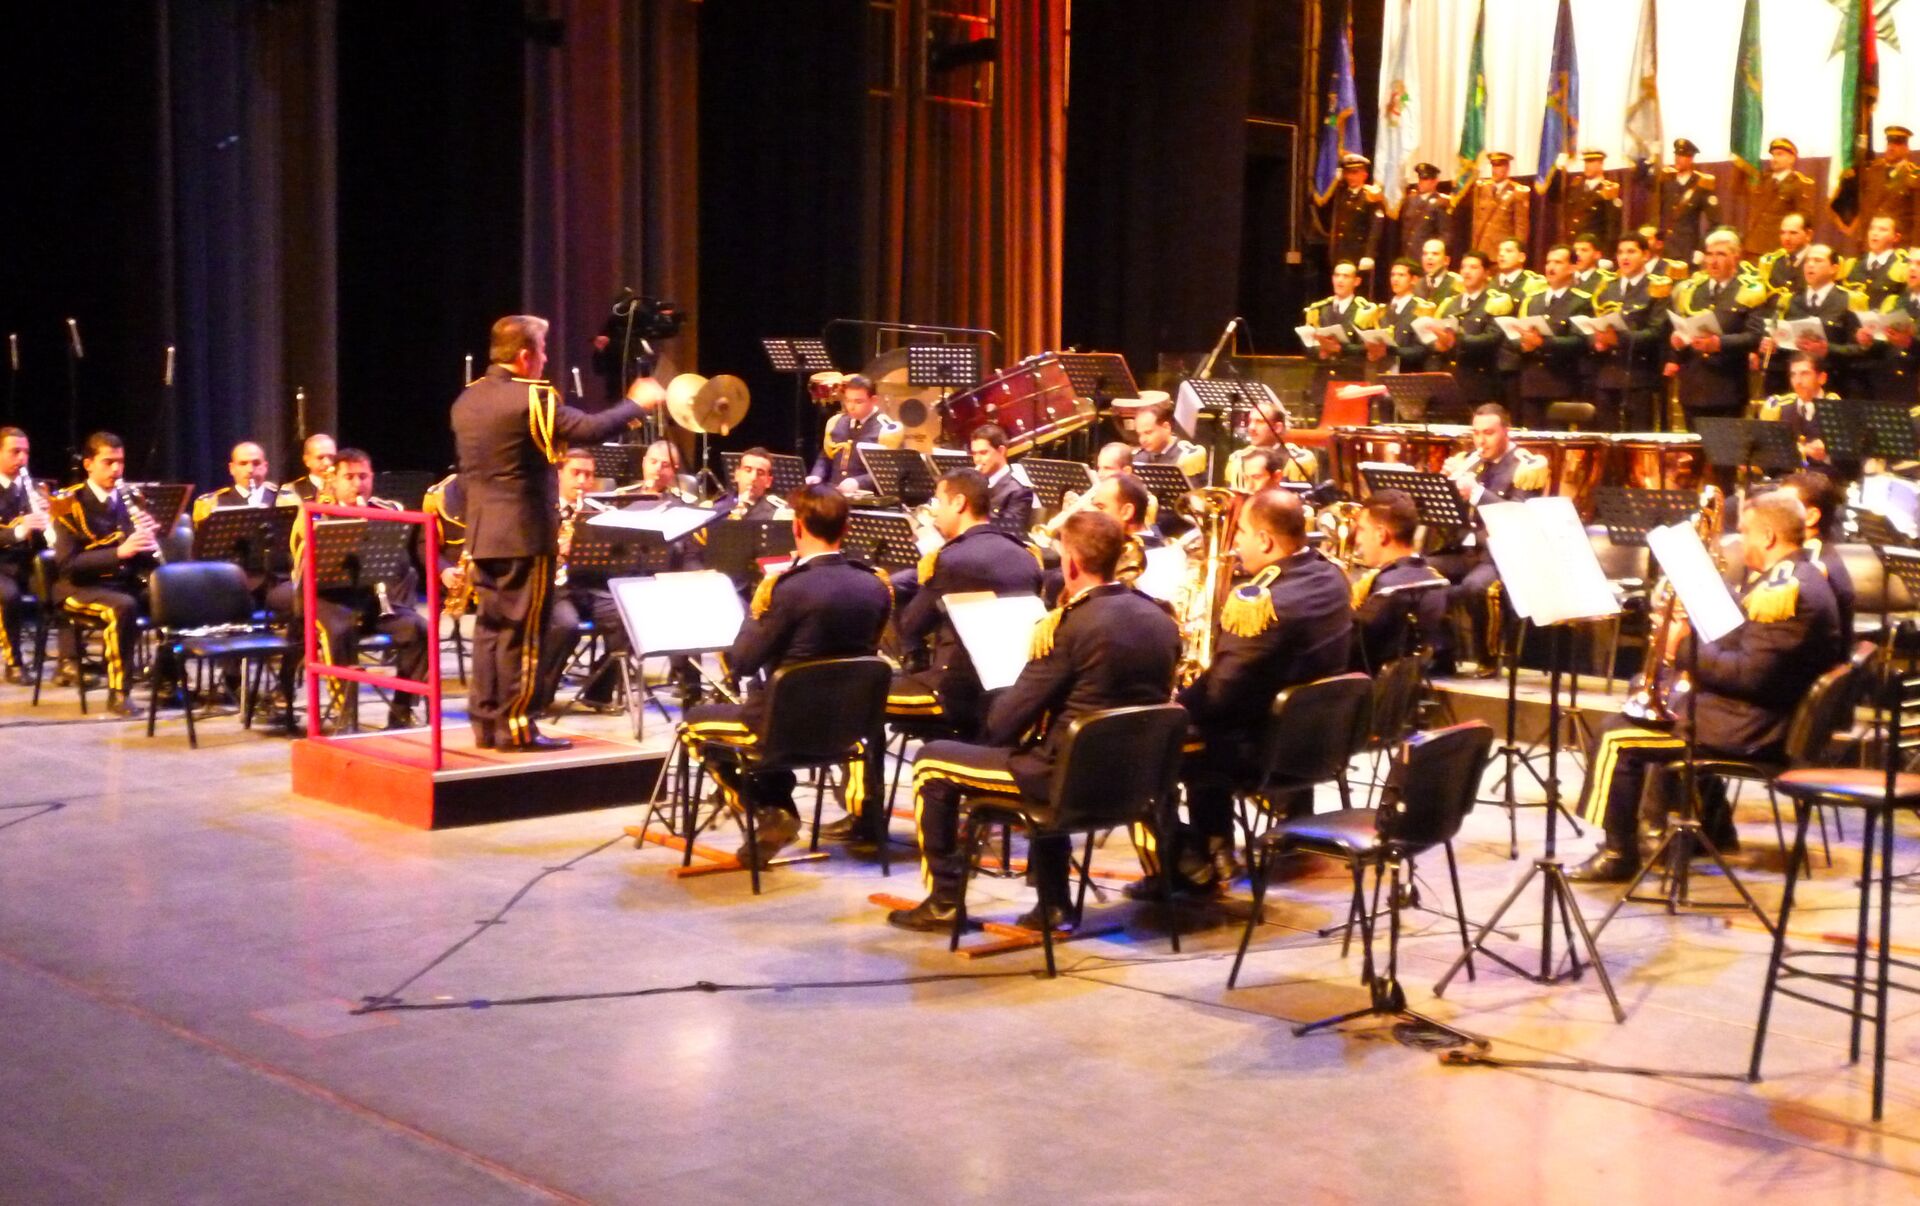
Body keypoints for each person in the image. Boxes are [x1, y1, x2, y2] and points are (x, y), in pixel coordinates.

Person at [887, 510, 1180, 933]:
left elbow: (1003, 724)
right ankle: (1052, 904)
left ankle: (945, 901)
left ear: (1071, 564)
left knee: (932, 762)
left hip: (1067, 781)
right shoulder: (1159, 617)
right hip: (1136, 779)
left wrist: (997, 697)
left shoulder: (1068, 626)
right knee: (1047, 744)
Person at [1570, 492, 1841, 882]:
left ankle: (1617, 853)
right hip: (1759, 714)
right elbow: (1751, 649)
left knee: (1616, 736)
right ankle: (1710, 827)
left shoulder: (1787, 591)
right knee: (1647, 694)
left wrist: (1681, 647)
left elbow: (1749, 675)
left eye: (1745, 533)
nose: (1741, 542)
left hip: (1753, 729)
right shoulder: (1794, 576)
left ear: (1768, 536)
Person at [450, 314, 653, 752]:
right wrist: (635, 405)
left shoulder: (468, 397)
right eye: (542, 351)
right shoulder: (533, 397)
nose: (544, 359)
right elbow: (588, 430)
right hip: (524, 535)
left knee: (490, 630)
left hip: (482, 533)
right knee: (523, 634)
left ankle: (487, 721)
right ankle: (516, 726)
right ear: (525, 355)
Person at [1144, 490, 1351, 896]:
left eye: (1240, 532)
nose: (1235, 541)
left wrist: (1172, 706)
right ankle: (1216, 846)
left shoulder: (1260, 601)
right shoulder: (1330, 576)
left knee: (1153, 746)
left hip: (1264, 750)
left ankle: (1187, 863)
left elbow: (1220, 695)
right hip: (1323, 740)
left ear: (1265, 540)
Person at [682, 485, 892, 868]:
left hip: (782, 728)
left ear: (797, 527)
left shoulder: (786, 588)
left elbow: (743, 662)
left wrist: (759, 606)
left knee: (693, 726)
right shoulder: (876, 584)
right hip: (849, 728)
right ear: (846, 528)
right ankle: (778, 800)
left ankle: (771, 808)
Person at [884, 468, 1044, 741]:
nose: (936, 512)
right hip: (1014, 690)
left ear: (959, 503)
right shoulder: (1026, 555)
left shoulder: (951, 559)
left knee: (866, 690)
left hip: (959, 691)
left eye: (940, 502)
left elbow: (912, 626)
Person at [286, 449, 432, 731]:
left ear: (372, 478)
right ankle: (346, 715)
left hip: (370, 598)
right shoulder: (315, 513)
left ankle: (401, 710)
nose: (357, 484)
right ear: (334, 480)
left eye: (363, 477)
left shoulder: (386, 511)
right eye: (349, 477)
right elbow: (301, 562)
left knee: (418, 629)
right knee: (340, 632)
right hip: (326, 599)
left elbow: (399, 563)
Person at [1431, 405, 1548, 673]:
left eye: (1489, 433)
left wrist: (1475, 492)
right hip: (1464, 550)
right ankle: (1441, 653)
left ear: (1506, 431)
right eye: (1476, 433)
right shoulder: (1469, 461)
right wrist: (1445, 487)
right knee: (1418, 572)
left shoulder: (1527, 466)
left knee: (1476, 587)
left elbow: (1517, 517)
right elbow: (1450, 518)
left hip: (1501, 556)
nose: (1480, 441)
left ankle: (1489, 657)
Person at [49, 432, 157, 715]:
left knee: (170, 596)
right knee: (123, 607)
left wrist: (149, 542)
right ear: (88, 464)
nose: (116, 469)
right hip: (77, 588)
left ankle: (168, 680)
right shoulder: (67, 503)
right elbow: (67, 565)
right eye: (108, 462)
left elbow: (140, 556)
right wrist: (119, 552)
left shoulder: (132, 498)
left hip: (122, 583)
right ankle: (119, 693)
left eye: (120, 462)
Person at [536, 447, 626, 712]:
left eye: (588, 475)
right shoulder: (542, 509)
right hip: (554, 588)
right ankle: (540, 697)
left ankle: (598, 692)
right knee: (567, 625)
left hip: (589, 587)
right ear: (559, 474)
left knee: (629, 620)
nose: (583, 481)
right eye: (576, 473)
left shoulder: (598, 513)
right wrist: (555, 547)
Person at [1664, 228, 1770, 422]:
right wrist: (1677, 343)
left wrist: (1718, 344)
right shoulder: (1692, 289)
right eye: (1709, 254)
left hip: (1727, 387)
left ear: (1736, 257)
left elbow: (1754, 336)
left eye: (1721, 254)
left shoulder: (1748, 290)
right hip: (1693, 385)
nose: (1713, 261)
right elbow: (1680, 326)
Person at [1349, 489, 1450, 673]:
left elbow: (1353, 650)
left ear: (1381, 534)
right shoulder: (1434, 578)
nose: (1358, 539)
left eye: (1362, 530)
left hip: (1370, 684)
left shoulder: (1384, 590)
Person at [1755, 243, 1871, 398]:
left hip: (1835, 383)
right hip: (1794, 385)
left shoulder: (1850, 300)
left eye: (1818, 260)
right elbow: (1775, 337)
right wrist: (1771, 346)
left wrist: (1828, 349)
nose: (1810, 265)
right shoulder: (1789, 300)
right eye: (1808, 260)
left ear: (1834, 268)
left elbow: (1862, 349)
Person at [1588, 232, 1672, 431]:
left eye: (1631, 252)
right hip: (1606, 374)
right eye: (1620, 252)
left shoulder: (1657, 286)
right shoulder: (1606, 287)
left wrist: (1619, 339)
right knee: (1606, 437)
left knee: (1638, 437)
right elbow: (1592, 323)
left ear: (1645, 255)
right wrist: (1596, 342)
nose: (1624, 257)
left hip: (1640, 375)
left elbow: (1657, 332)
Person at [1511, 244, 1595, 429]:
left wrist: (1543, 342)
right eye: (1548, 262)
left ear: (1572, 267)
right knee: (1531, 438)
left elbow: (1580, 342)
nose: (1551, 267)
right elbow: (1516, 336)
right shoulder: (1532, 300)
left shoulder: (1581, 301)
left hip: (1560, 382)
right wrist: (1523, 345)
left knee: (1557, 437)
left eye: (1558, 262)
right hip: (1531, 382)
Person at [1430, 250, 1515, 405]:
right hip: (1448, 381)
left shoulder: (1496, 301)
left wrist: (1457, 340)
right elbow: (1434, 336)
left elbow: (1493, 338)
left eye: (1473, 267)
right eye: (1463, 267)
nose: (1466, 272)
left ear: (1486, 273)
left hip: (1480, 383)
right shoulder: (1450, 303)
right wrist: (1436, 345)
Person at [0, 427, 51, 682]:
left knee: (62, 587)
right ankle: (14, 662)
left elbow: (45, 538)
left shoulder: (34, 489)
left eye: (26, 452)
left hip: (27, 563)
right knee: (8, 596)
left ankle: (67, 660)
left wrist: (50, 519)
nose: (22, 458)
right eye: (15, 451)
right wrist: (21, 530)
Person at [1782, 470, 1856, 641]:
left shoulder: (1813, 566)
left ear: (1811, 517)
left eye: (1783, 507)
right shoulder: (1804, 556)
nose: (1772, 512)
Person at [810, 374, 903, 496]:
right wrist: (816, 475)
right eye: (848, 400)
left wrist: (858, 482)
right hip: (834, 496)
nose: (851, 407)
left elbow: (892, 470)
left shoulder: (887, 429)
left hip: (867, 497)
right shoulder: (836, 422)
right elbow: (826, 456)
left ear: (874, 400)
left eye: (858, 402)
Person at [1758, 354, 1842, 471]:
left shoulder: (1835, 408)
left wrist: (1827, 453)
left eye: (1805, 374)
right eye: (1793, 375)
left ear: (1822, 378)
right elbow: (1766, 452)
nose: (1797, 381)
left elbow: (1850, 462)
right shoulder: (1780, 407)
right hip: (1786, 478)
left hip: (1825, 477)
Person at [1302, 260, 1376, 386]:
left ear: (1357, 281)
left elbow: (1369, 347)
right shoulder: (1319, 309)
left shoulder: (1365, 310)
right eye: (1337, 275)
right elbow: (1307, 345)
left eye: (1346, 276)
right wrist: (1321, 352)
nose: (1340, 280)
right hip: (1322, 381)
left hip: (1350, 379)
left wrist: (1340, 349)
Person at [1845, 125, 1917, 252]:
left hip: (1900, 247)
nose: (1891, 148)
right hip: (1869, 245)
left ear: (1907, 149)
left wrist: (1916, 247)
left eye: (1897, 144)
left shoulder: (1915, 176)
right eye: (1889, 143)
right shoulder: (1871, 171)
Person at [1650, 137, 1718, 268]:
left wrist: (1701, 248)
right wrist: (1659, 238)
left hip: (1688, 249)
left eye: (1682, 156)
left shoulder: (1701, 184)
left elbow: (1715, 222)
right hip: (1667, 248)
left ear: (1691, 158)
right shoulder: (1667, 181)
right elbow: (1662, 214)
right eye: (1676, 155)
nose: (1677, 159)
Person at [1364, 257, 1436, 377]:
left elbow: (1423, 350)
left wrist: (1390, 351)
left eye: (1401, 275)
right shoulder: (1381, 310)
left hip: (1408, 375)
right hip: (1381, 374)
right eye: (1393, 275)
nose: (1395, 279)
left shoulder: (1421, 309)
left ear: (1414, 279)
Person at [1745, 138, 1815, 261]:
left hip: (1779, 247)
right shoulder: (1762, 180)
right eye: (1773, 155)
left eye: (1780, 154)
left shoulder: (1799, 184)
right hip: (1754, 246)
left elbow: (1804, 218)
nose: (1774, 159)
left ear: (1792, 158)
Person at [1226, 397, 1316, 488]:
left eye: (1259, 422)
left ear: (1277, 428)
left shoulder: (1299, 460)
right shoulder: (1237, 459)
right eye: (1250, 421)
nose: (1251, 428)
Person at [967, 423, 1037, 532]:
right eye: (974, 454)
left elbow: (1009, 531)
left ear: (1001, 451)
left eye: (983, 453)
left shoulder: (1019, 490)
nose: (977, 460)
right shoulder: (978, 483)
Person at [1460, 151, 1529, 259]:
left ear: (1507, 168)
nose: (1494, 170)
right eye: (1493, 166)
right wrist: (1474, 248)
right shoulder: (1482, 188)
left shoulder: (1518, 191)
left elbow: (1521, 227)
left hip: (1503, 251)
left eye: (1499, 166)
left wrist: (1517, 253)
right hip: (1482, 249)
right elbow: (1476, 219)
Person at [1326, 153, 1385, 278]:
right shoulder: (1341, 195)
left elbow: (1375, 228)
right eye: (1347, 173)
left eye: (1355, 173)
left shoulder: (1370, 196)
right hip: (1340, 254)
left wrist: (1369, 254)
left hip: (1359, 254)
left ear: (1364, 175)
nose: (1350, 177)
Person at [1549, 149, 1621, 250]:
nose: (1587, 166)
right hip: (1572, 244)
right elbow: (1554, 197)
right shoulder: (1575, 186)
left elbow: (1612, 222)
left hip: (1594, 247)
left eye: (1591, 162)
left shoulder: (1608, 188)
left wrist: (1608, 249)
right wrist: (1558, 170)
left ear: (1601, 164)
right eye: (1586, 162)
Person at [193, 441, 278, 522]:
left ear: (265, 467)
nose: (250, 470)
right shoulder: (210, 504)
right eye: (243, 464)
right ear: (232, 468)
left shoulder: (282, 499)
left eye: (256, 463)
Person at [1842, 214, 1910, 307]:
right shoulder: (1853, 264)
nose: (1875, 233)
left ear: (1896, 237)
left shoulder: (1903, 267)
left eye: (1882, 230)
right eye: (1872, 228)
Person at [1131, 400, 1206, 479]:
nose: (1142, 440)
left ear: (1166, 427)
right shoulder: (1139, 458)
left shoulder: (1187, 457)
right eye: (1139, 434)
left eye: (1148, 432)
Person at [713, 447, 784, 521]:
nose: (753, 478)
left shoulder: (777, 514)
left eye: (760, 473)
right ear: (737, 475)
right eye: (748, 470)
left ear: (768, 481)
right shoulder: (718, 507)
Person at [1399, 164, 1451, 261]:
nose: (1421, 182)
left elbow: (1444, 234)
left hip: (1426, 257)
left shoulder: (1440, 203)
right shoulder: (1410, 200)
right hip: (1407, 255)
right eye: (1420, 179)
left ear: (1435, 182)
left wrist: (1436, 254)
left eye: (1425, 179)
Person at [1758, 212, 1812, 293]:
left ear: (1808, 235)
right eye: (1783, 233)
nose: (1786, 238)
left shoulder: (1818, 262)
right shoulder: (1772, 262)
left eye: (1793, 233)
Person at [279, 434, 337, 504]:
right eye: (320, 458)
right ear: (307, 460)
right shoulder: (291, 489)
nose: (327, 463)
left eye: (331, 457)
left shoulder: (343, 486)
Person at [1415, 238, 1461, 305]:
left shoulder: (1456, 284)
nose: (1429, 257)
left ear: (1446, 260)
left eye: (1435, 254)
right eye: (1425, 254)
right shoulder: (1416, 284)